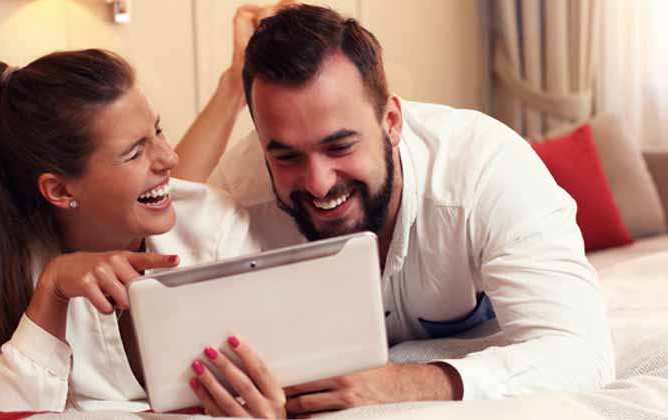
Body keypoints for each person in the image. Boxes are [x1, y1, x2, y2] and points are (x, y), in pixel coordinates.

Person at [177, 5, 615, 417]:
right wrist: (233, 85)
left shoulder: (484, 168)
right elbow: (172, 226)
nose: (319, 182)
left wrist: (405, 384)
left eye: (340, 146)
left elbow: (582, 355)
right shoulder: (242, 186)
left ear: (392, 122)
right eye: (287, 157)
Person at [0, 4, 293, 412]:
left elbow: (284, 370)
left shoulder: (214, 229)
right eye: (134, 152)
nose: (169, 158)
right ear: (59, 190)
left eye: (159, 131)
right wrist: (53, 289)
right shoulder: (4, 262)